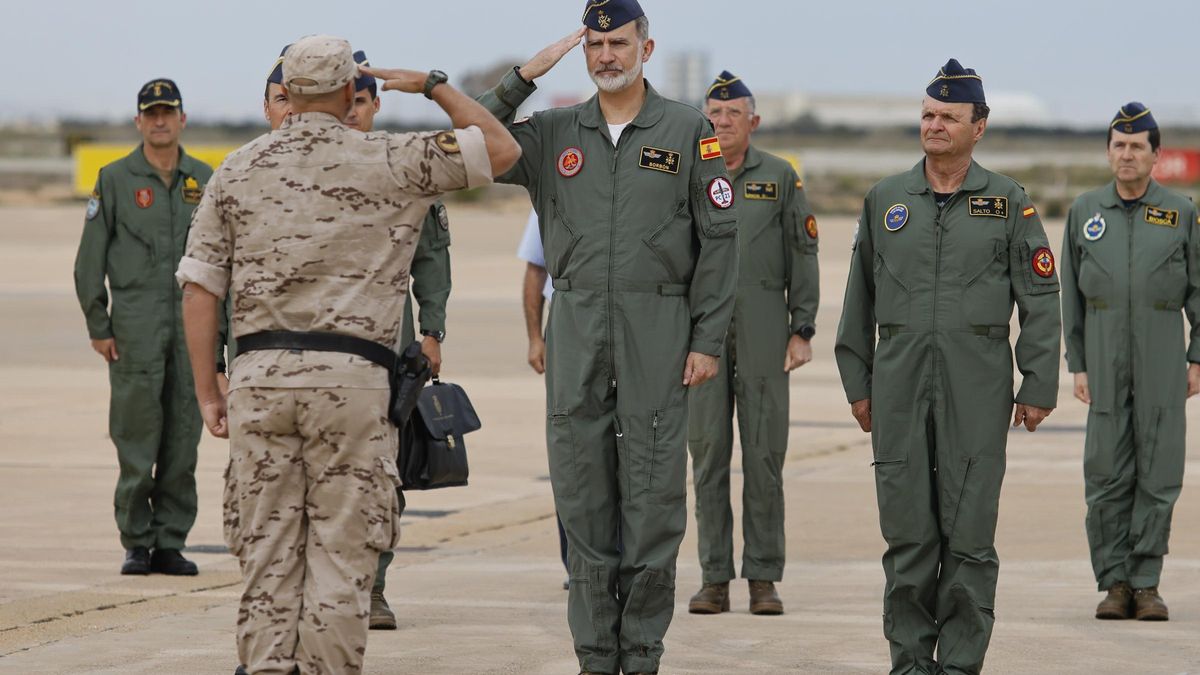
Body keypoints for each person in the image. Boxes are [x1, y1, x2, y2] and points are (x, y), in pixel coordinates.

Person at [177, 35, 519, 674]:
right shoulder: (392, 159)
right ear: (347, 93)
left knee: (266, 554)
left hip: (260, 381)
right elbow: (501, 148)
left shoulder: (237, 168)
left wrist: (208, 389)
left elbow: (200, 289)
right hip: (355, 385)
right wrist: (436, 85)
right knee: (341, 559)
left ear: (288, 91)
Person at [458, 2, 739, 671]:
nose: (607, 55)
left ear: (646, 46)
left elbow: (721, 240)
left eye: (619, 42)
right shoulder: (554, 133)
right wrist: (524, 75)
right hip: (578, 326)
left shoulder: (687, 130)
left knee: (653, 504)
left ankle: (640, 652)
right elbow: (473, 139)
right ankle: (593, 655)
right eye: (595, 45)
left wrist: (706, 339)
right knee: (582, 502)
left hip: (658, 327)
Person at [834, 59, 1061, 674]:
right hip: (900, 385)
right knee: (908, 538)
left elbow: (1040, 300)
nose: (934, 125)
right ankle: (909, 663)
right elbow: (859, 301)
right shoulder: (886, 200)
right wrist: (859, 383)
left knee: (968, 538)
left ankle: (959, 665)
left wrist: (1037, 383)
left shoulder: (1009, 202)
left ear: (978, 126)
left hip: (978, 385)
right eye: (928, 114)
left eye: (948, 117)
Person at [1060, 102, 1200, 622]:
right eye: (1118, 145)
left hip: (1163, 352)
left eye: (1137, 146)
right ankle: (1114, 583)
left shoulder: (1181, 213)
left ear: (1156, 155)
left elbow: (1199, 291)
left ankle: (1147, 583)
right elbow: (1070, 296)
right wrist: (1077, 362)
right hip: (1101, 352)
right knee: (1106, 475)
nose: (1126, 155)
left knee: (1159, 472)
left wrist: (1197, 357)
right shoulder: (1084, 212)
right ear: (1108, 153)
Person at [687, 71, 818, 617]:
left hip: (765, 321)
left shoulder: (781, 177)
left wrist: (802, 327)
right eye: (714, 115)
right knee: (708, 455)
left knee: (765, 456)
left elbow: (802, 252)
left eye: (732, 115)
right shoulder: (691, 173)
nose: (721, 123)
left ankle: (763, 577)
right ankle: (714, 578)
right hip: (702, 331)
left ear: (753, 122)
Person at [73, 78, 216, 576]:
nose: (159, 121)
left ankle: (170, 541)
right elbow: (89, 260)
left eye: (167, 112)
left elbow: (225, 262)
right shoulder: (114, 179)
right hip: (134, 327)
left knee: (183, 434)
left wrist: (224, 339)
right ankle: (136, 540)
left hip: (192, 329)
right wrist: (99, 322)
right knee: (136, 436)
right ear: (139, 121)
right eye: (150, 113)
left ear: (182, 119)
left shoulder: (204, 178)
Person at [343, 49, 456, 632]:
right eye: (345, 102)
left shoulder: (404, 168)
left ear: (375, 104)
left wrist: (432, 332)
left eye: (361, 102)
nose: (352, 113)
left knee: (385, 473)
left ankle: (376, 588)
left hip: (392, 352)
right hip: (326, 354)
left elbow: (432, 262)